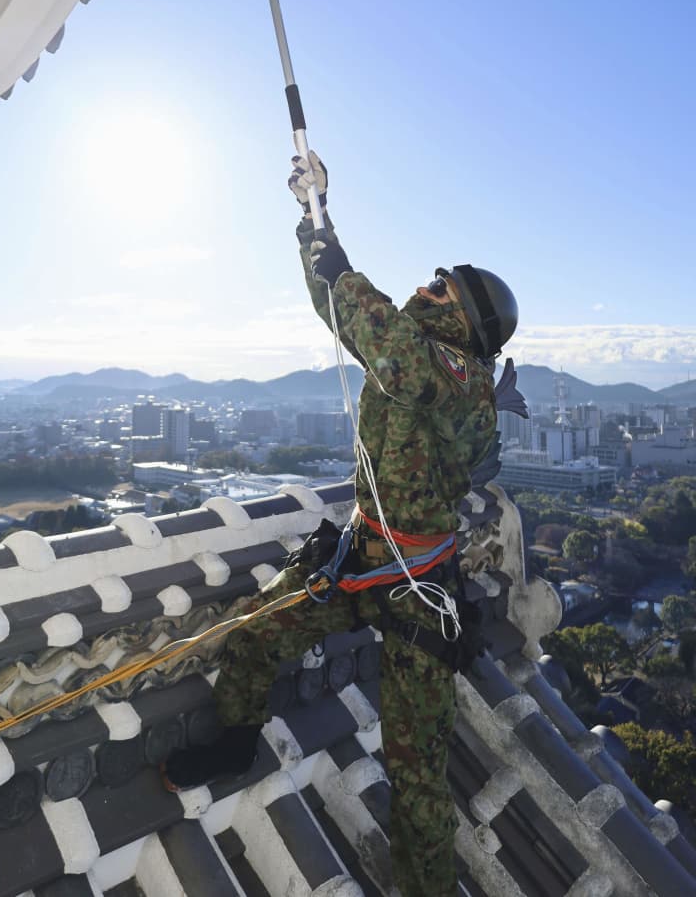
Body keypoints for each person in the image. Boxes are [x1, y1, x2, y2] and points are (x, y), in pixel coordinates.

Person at [164, 151, 519, 896]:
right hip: (371, 555)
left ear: (464, 318)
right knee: (259, 634)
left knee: (416, 768)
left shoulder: (451, 373)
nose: (426, 287)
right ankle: (234, 743)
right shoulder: (429, 362)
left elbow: (369, 323)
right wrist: (312, 223)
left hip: (418, 585)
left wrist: (323, 228)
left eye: (440, 287)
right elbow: (351, 316)